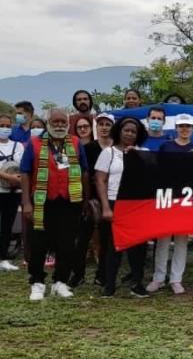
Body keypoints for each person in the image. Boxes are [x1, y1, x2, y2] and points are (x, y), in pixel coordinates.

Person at [20, 108, 91, 301]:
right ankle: (37, 282)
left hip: (69, 201)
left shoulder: (75, 142)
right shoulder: (34, 143)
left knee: (67, 244)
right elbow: (25, 172)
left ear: (68, 124)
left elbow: (84, 171)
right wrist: (26, 202)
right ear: (48, 124)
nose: (59, 125)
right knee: (39, 243)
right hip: (42, 202)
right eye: (55, 122)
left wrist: (85, 198)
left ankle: (60, 281)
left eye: (62, 122)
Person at [148, 114, 193, 294]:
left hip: (186, 200)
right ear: (176, 128)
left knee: (181, 240)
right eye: (181, 126)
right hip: (167, 197)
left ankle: (176, 279)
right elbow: (157, 170)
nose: (185, 129)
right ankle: (158, 277)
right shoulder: (166, 146)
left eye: (188, 126)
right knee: (163, 240)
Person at [95, 117, 150, 298]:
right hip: (114, 202)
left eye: (133, 132)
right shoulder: (108, 153)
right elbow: (101, 180)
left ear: (138, 135)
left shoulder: (144, 152)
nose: (129, 134)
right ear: (119, 131)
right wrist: (105, 207)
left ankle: (137, 283)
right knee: (113, 246)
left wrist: (137, 157)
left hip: (136, 205)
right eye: (126, 130)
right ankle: (109, 285)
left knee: (138, 247)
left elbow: (152, 176)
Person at [71, 112, 115, 287]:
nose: (104, 127)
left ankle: (102, 275)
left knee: (106, 240)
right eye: (101, 124)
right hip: (90, 199)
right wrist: (86, 200)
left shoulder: (117, 150)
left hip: (111, 199)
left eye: (107, 124)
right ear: (96, 127)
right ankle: (78, 274)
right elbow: (84, 174)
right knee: (82, 239)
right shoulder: (88, 148)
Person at [0, 114, 23, 271]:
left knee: (7, 224)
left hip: (15, 191)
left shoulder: (18, 145)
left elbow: (24, 165)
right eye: (2, 125)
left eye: (8, 126)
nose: (5, 128)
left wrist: (18, 179)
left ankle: (4, 257)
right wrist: (7, 176)